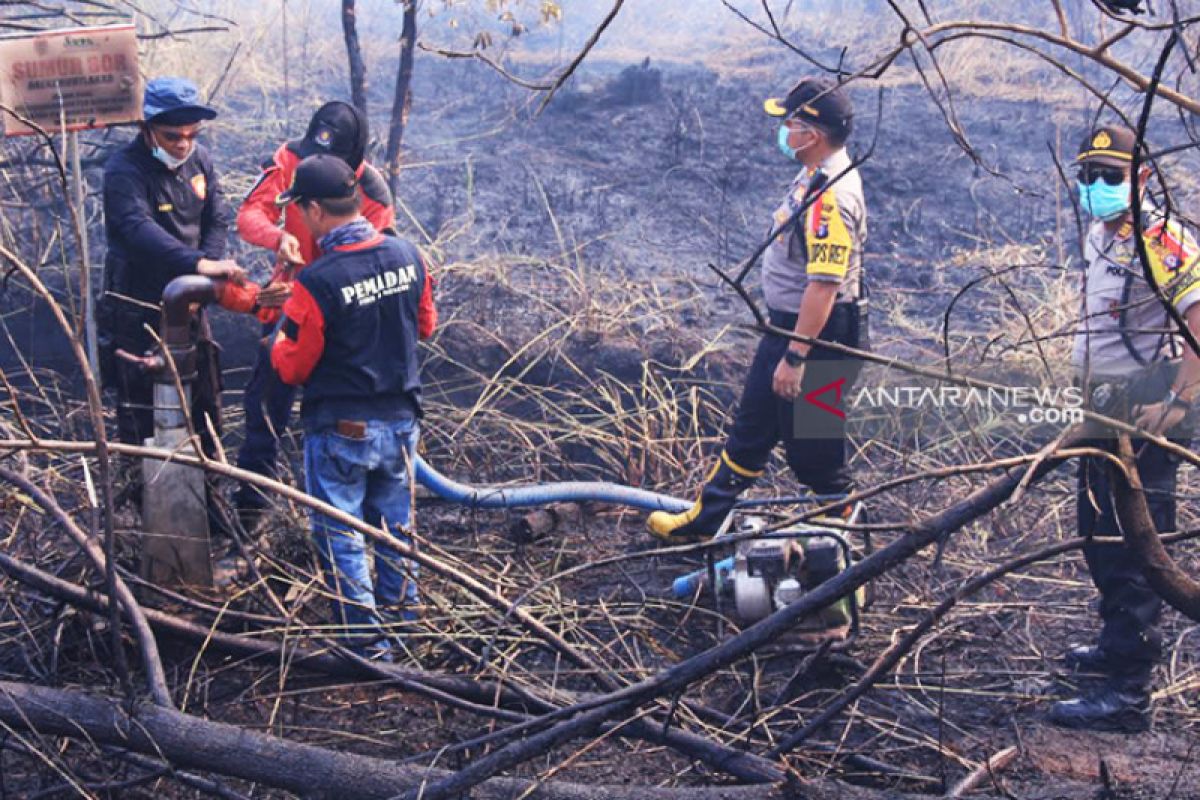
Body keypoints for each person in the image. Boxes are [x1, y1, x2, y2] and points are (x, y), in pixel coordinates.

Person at [648, 77, 867, 543]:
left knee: (815, 449)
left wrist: (795, 357)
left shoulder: (830, 197)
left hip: (819, 335)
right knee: (753, 426)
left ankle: (847, 549)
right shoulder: (815, 175)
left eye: (790, 123)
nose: (784, 132)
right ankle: (706, 521)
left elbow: (824, 288)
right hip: (793, 328)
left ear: (814, 133)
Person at [1049, 125, 1200, 732]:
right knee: (1096, 532)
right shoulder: (1099, 234)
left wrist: (1176, 400)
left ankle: (1128, 691)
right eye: (1089, 176)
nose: (1098, 187)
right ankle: (1115, 644)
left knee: (1135, 542)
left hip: (1147, 406)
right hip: (1103, 405)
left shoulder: (1160, 240)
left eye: (1112, 176)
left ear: (1140, 178)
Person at [270, 154, 435, 658]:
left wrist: (276, 336)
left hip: (341, 430)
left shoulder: (316, 283)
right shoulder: (408, 255)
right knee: (396, 530)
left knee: (341, 533)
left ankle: (367, 647)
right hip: (403, 424)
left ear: (315, 210)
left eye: (298, 209)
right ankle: (401, 630)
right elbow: (425, 326)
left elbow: (292, 368)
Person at [233, 101, 396, 531]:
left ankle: (346, 520)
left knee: (339, 416)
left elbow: (373, 260)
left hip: (343, 316)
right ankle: (251, 510)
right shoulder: (288, 159)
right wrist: (279, 236)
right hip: (287, 304)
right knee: (264, 404)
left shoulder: (373, 191)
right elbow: (249, 215)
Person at [100, 76, 248, 455]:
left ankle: (210, 493)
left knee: (205, 402)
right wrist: (197, 265)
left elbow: (216, 218)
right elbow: (137, 229)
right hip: (139, 306)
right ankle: (140, 497)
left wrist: (206, 270)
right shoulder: (123, 171)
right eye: (172, 136)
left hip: (192, 301)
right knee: (142, 412)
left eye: (191, 134)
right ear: (146, 129)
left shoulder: (199, 160)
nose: (183, 144)